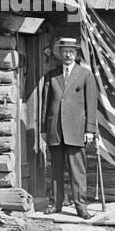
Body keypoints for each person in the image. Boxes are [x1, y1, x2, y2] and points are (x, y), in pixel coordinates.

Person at [41, 35, 98, 218]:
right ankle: (56, 204)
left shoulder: (85, 75)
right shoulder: (52, 75)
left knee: (77, 171)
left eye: (71, 52)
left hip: (76, 130)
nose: (68, 55)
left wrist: (90, 129)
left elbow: (91, 104)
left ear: (76, 53)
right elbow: (45, 104)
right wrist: (44, 129)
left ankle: (81, 207)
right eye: (65, 51)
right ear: (60, 54)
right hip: (55, 130)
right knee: (56, 170)